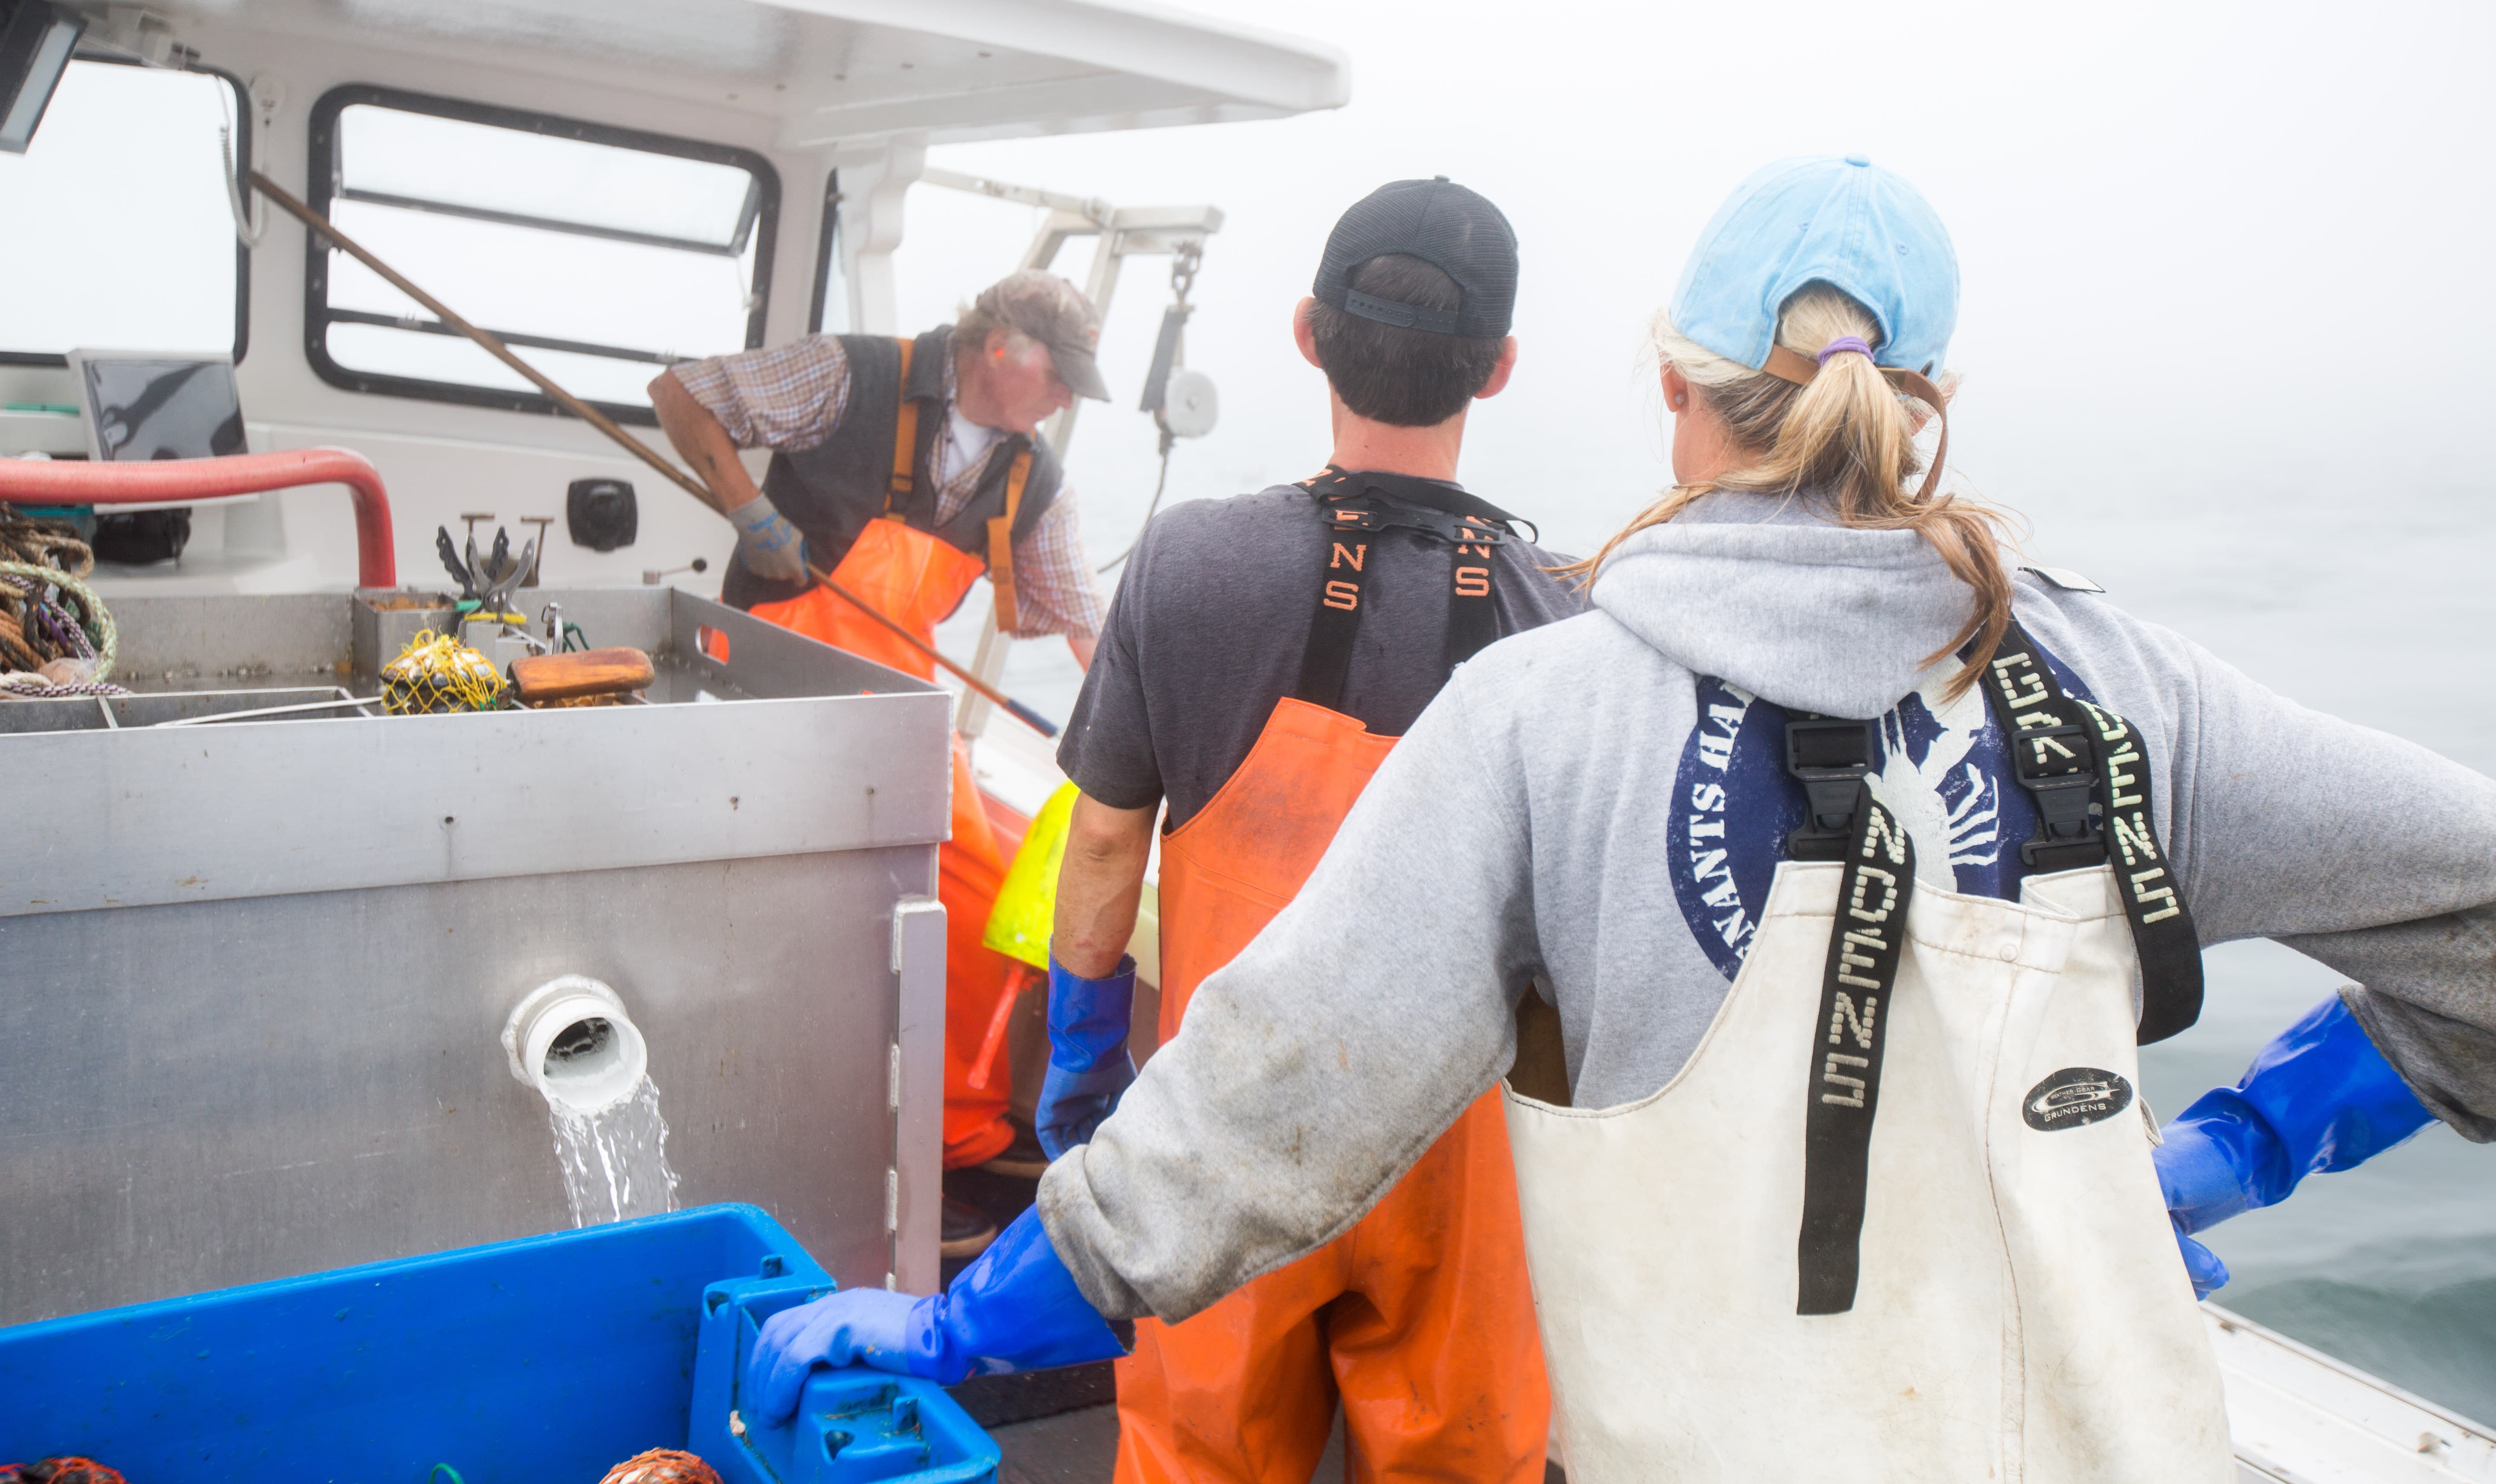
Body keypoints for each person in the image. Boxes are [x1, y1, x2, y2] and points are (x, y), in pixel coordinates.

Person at [743, 156, 2496, 1483]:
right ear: (1930, 409)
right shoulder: (2131, 698)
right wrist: (2243, 1147)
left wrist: (972, 1319)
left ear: (1674, 386)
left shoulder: (1553, 709)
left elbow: (1272, 1094)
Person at [1033, 178, 1576, 1483]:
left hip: (1226, 1139)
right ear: (1497, 370)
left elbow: (1104, 847)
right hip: (1460, 1172)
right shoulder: (1564, 623)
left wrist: (1083, 1055)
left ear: (1306, 333)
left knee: (1200, 1460)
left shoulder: (1187, 564)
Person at [650, 270, 1111, 1247]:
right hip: (770, 685)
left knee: (980, 897)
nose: (1067, 398)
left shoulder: (1036, 479)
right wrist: (747, 510)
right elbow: (680, 395)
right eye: (1061, 376)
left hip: (899, 710)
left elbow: (1080, 620)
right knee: (790, 900)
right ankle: (771, 1124)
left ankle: (952, 1132)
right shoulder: (852, 374)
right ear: (1003, 351)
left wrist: (1137, 720)